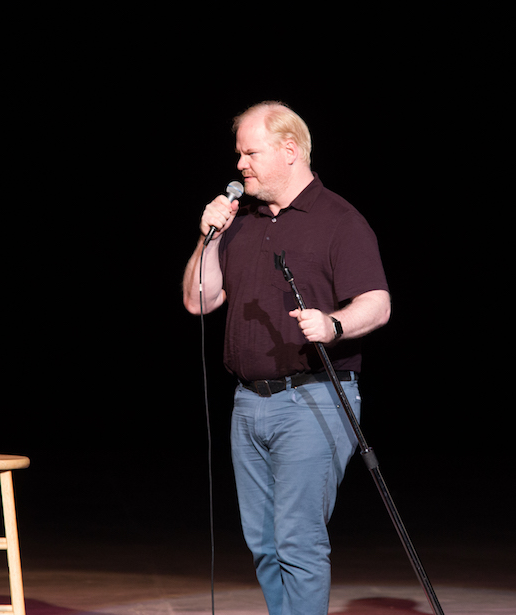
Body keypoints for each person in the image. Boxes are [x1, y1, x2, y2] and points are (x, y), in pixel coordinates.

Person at [182, 101, 391, 615]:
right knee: (265, 545)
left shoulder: (340, 220)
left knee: (297, 541)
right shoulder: (240, 223)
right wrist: (208, 238)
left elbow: (378, 302)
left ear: (290, 151)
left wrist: (335, 324)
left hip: (314, 397)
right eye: (239, 153)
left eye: (251, 152)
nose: (240, 165)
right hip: (248, 404)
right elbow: (199, 300)